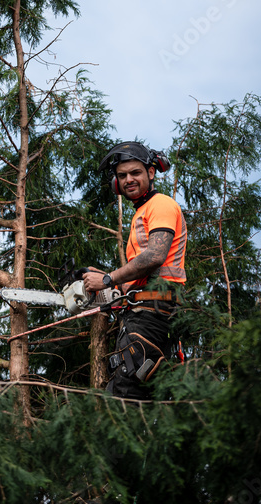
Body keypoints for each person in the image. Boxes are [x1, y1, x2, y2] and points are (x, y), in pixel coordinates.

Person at [82, 141, 187, 399]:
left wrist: (107, 279)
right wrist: (116, 286)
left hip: (153, 315)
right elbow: (144, 274)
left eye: (135, 173)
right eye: (122, 175)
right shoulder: (141, 212)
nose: (128, 179)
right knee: (127, 394)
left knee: (125, 401)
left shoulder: (160, 204)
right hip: (143, 315)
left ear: (151, 173)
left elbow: (155, 256)